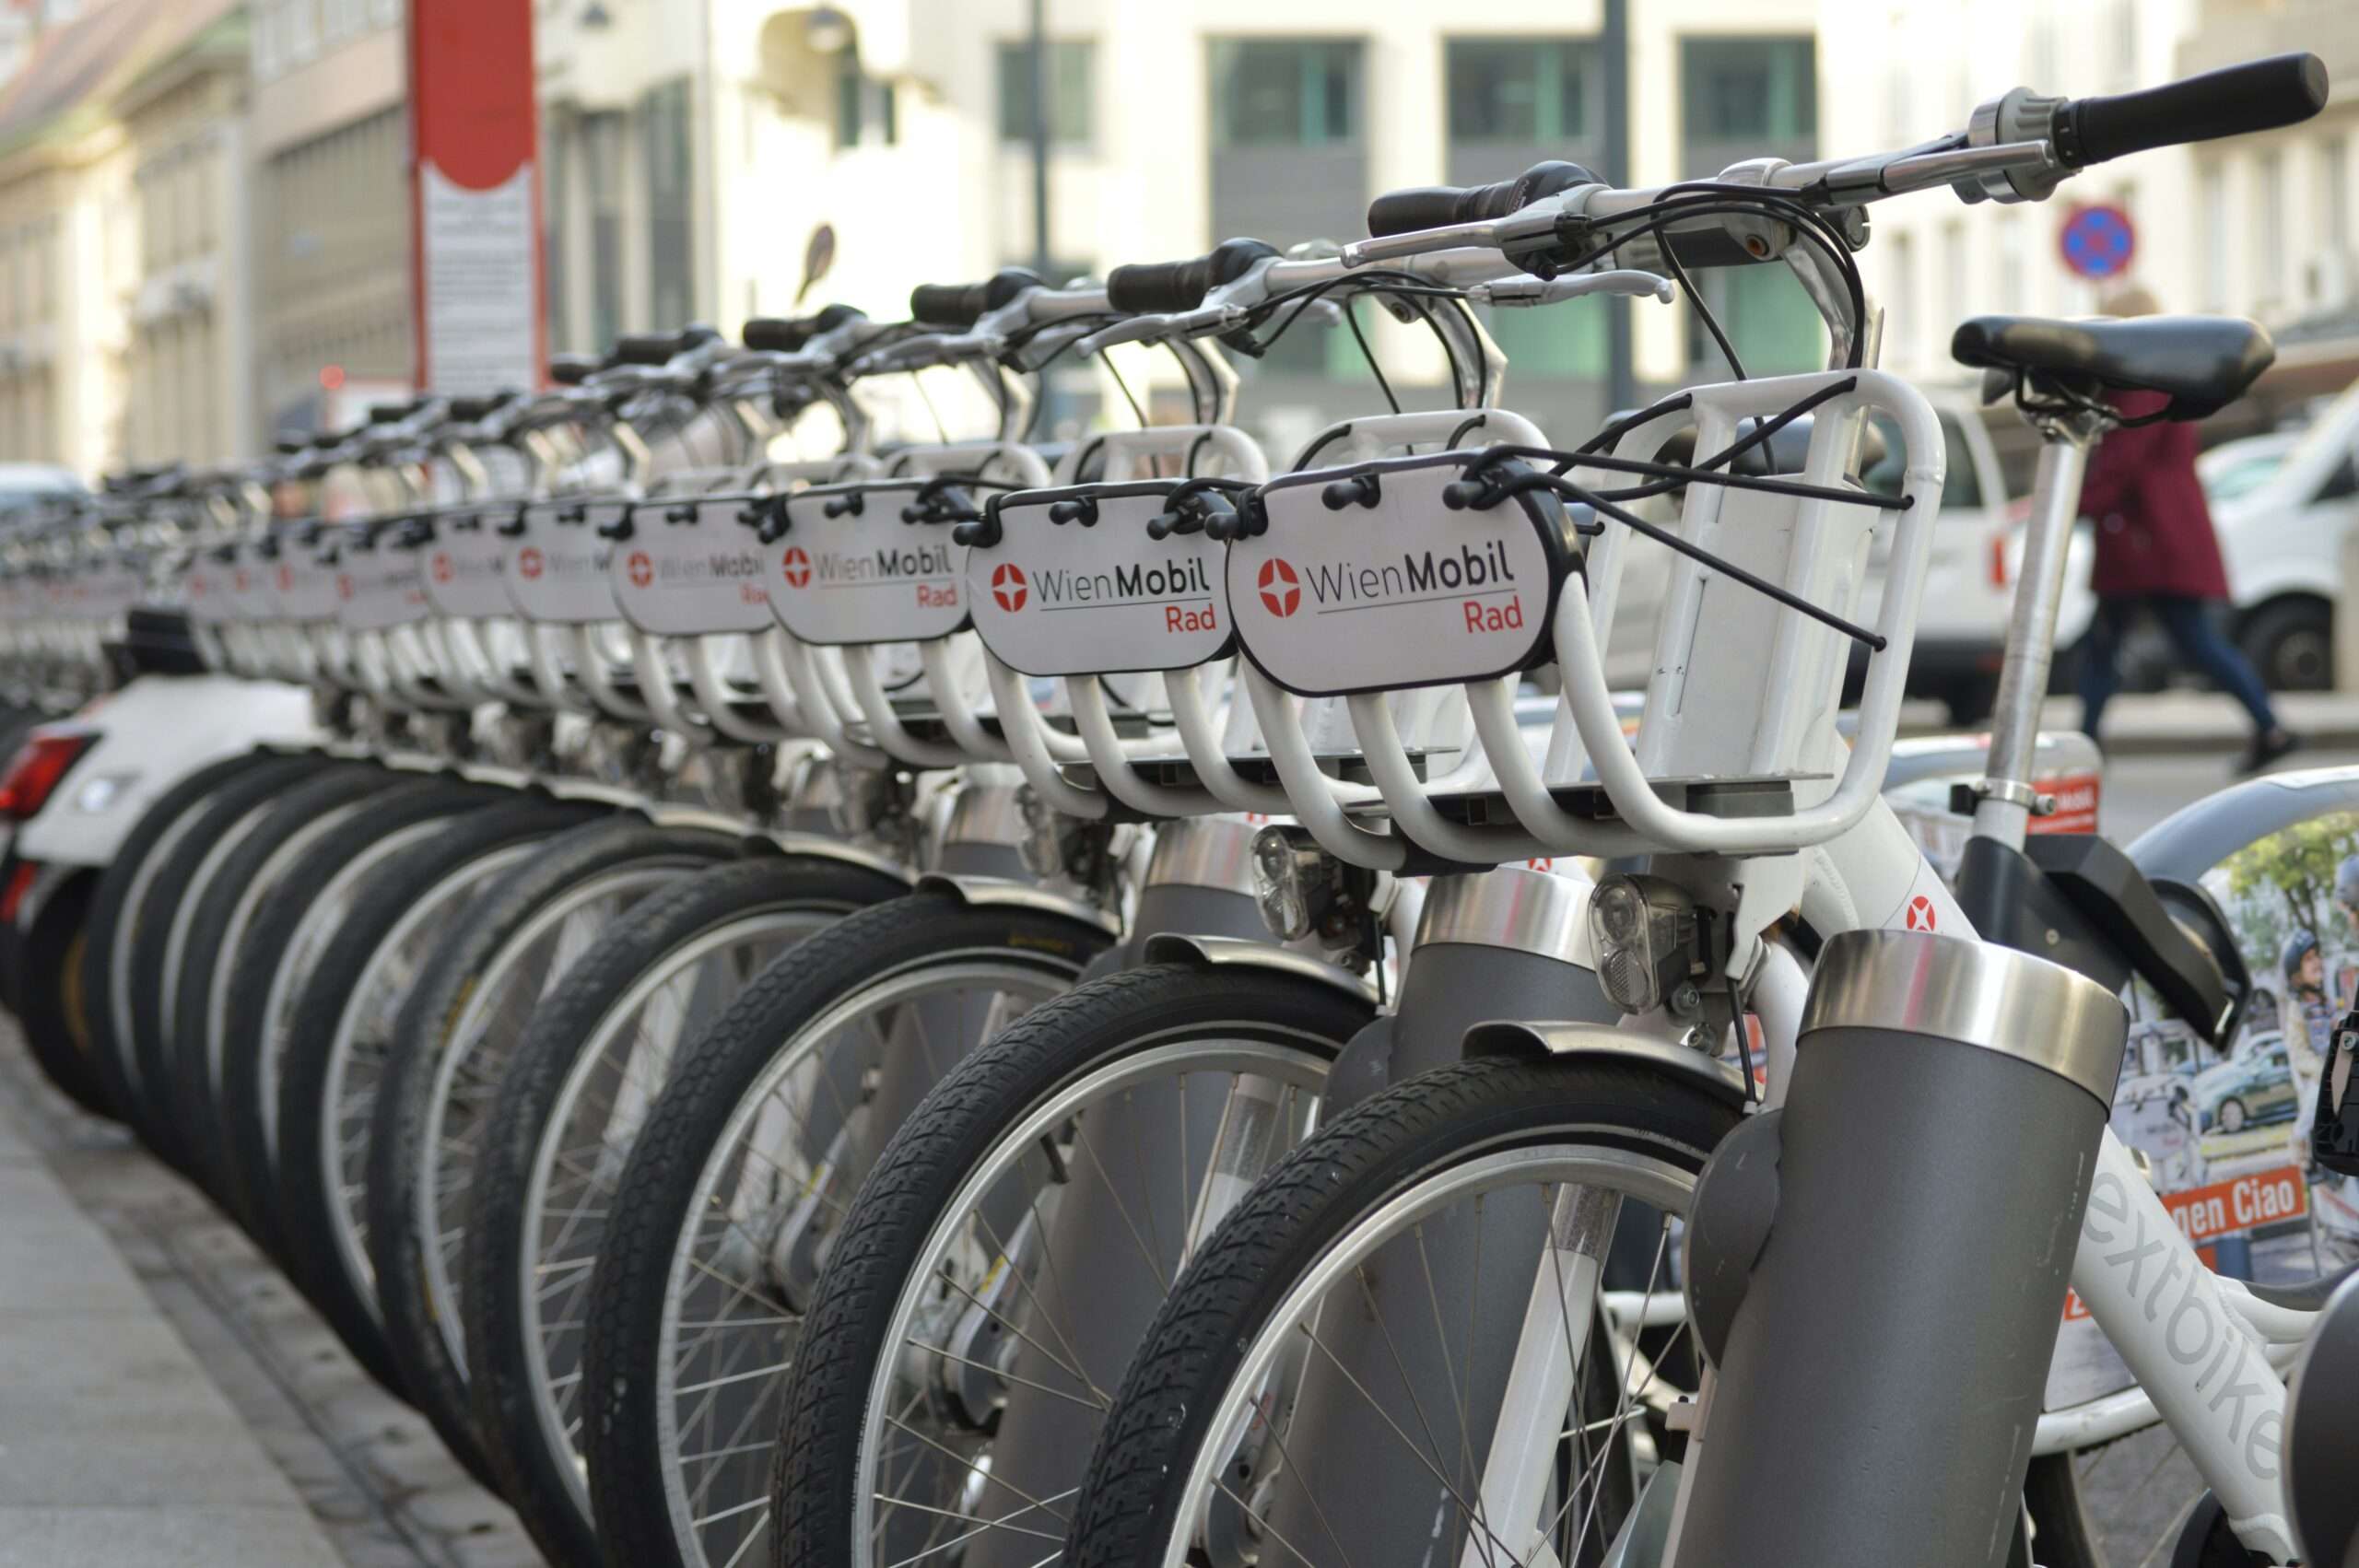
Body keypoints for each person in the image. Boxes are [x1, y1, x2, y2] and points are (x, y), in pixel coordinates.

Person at [2074, 285, 2300, 774]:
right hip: (2161, 537)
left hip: (2142, 542)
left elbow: (2124, 460)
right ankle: (2269, 726)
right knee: (2166, 639)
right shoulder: (2169, 374)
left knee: (2132, 643)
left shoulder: (2136, 379)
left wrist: (2080, 501)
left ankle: (2088, 751)